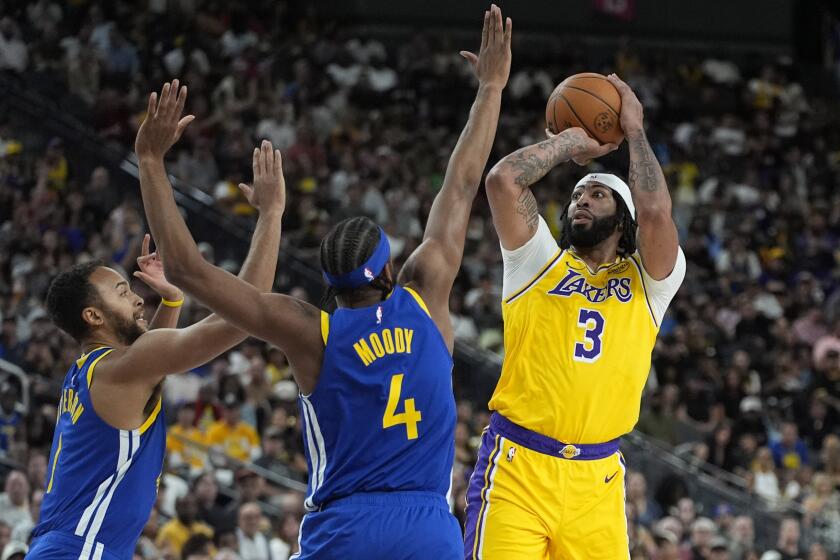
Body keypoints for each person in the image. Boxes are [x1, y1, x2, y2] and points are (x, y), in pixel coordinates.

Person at [133, 5, 511, 558]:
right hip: (430, 525)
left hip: (346, 527)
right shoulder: (426, 292)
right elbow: (461, 183)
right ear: (387, 270)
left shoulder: (310, 329)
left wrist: (150, 161)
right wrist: (491, 88)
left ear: (331, 283)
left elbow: (186, 268)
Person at [26, 141, 286, 559]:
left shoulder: (92, 371)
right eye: (123, 291)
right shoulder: (118, 368)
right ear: (93, 316)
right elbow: (243, 317)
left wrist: (172, 303)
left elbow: (150, 373)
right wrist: (272, 214)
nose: (136, 299)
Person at [467, 73, 686, 559]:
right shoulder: (538, 260)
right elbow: (503, 181)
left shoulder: (650, 283)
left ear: (623, 220)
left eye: (597, 194)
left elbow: (655, 213)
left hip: (597, 479)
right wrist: (571, 143)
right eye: (577, 195)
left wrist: (633, 132)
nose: (581, 199)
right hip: (518, 468)